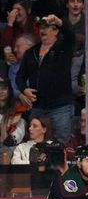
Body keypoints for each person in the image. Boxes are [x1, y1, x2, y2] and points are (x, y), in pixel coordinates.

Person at [15, 14, 74, 143]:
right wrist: (24, 89)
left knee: (61, 142)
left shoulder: (64, 48)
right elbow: (19, 76)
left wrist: (60, 22)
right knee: (36, 142)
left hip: (60, 106)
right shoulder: (31, 52)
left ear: (56, 31)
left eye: (47, 27)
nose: (42, 30)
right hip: (38, 106)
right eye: (41, 26)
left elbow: (70, 35)